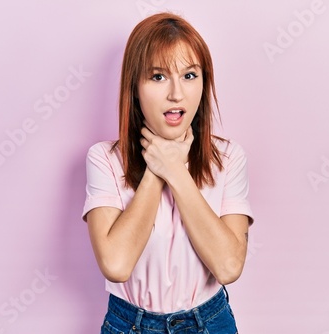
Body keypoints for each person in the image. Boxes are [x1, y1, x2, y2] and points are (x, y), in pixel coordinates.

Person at [82, 12, 254, 334]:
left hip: (210, 322)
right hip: (129, 324)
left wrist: (175, 170)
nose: (177, 93)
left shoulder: (228, 158)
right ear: (134, 87)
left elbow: (228, 265)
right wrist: (155, 170)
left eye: (190, 76)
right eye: (159, 77)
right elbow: (116, 265)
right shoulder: (104, 159)